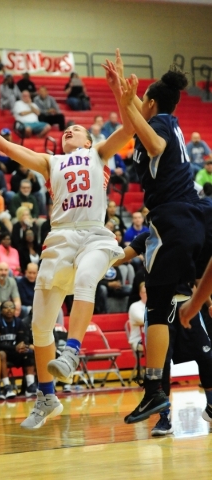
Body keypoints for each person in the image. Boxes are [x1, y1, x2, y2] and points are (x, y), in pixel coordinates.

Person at [0, 56, 133, 429]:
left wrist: (119, 93)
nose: (70, 130)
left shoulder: (98, 154)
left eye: (77, 129)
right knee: (38, 326)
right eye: (66, 129)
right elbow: (6, 147)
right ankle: (47, 396)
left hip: (94, 235)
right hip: (60, 238)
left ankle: (71, 351)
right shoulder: (50, 161)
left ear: (88, 139)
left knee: (87, 277)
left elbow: (130, 127)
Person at [116, 50, 212, 424]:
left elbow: (152, 143)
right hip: (194, 216)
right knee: (180, 304)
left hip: (175, 218)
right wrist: (120, 93)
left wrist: (128, 102)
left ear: (150, 103)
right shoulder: (163, 122)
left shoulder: (159, 126)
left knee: (157, 307)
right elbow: (133, 124)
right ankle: (161, 396)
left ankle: (154, 392)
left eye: (140, 103)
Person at [117, 231, 212, 434]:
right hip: (159, 307)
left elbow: (198, 277)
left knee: (207, 357)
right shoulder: (147, 237)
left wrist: (210, 302)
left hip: (187, 304)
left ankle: (211, 407)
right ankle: (164, 418)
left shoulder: (188, 232)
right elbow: (121, 256)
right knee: (161, 365)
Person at [0, 300, 37, 398]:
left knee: (28, 351)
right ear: (1, 310)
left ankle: (30, 385)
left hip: (15, 352)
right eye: (6, 307)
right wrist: (15, 347)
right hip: (2, 353)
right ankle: (7, 386)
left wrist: (21, 347)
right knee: (2, 354)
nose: (9, 309)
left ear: (15, 310)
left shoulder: (19, 322)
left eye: (11, 307)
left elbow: (21, 341)